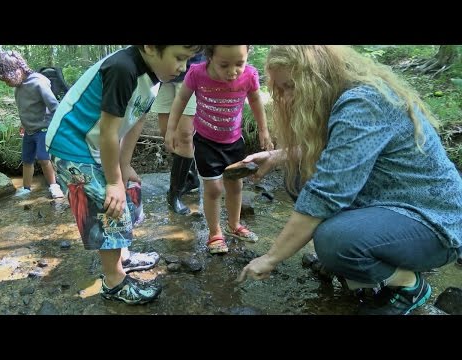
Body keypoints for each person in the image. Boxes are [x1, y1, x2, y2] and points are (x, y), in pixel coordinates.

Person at [237, 45, 462, 315]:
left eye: (291, 87)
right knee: (297, 178)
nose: (285, 98)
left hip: (435, 222)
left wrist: (271, 257)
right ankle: (365, 263)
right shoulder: (341, 94)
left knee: (334, 241)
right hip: (392, 203)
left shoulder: (363, 103)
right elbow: (341, 154)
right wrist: (279, 156)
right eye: (280, 89)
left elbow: (326, 193)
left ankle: (408, 285)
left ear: (316, 78)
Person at [45, 45, 203, 305]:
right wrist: (112, 181)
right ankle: (114, 282)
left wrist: (124, 165)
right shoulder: (123, 69)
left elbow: (135, 121)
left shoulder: (155, 76)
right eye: (178, 58)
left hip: (96, 145)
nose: (182, 68)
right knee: (108, 207)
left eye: (187, 60)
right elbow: (108, 131)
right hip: (72, 146)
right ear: (151, 48)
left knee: (125, 195)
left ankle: (124, 257)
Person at [165, 45, 273, 254]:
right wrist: (171, 129)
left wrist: (263, 130)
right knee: (214, 189)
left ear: (247, 55)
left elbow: (256, 100)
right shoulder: (197, 73)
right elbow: (181, 99)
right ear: (210, 56)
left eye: (239, 64)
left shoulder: (249, 75)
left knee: (235, 185)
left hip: (234, 141)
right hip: (206, 141)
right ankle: (215, 233)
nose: (233, 71)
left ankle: (235, 225)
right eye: (224, 65)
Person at [0, 51, 64, 199]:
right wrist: (23, 124)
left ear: (17, 71)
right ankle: (26, 188)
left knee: (43, 159)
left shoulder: (38, 83)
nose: (6, 83)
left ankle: (54, 186)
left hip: (43, 128)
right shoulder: (18, 87)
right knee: (27, 160)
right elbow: (24, 108)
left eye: (6, 80)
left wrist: (59, 127)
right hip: (29, 131)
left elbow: (55, 106)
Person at [151, 52, 205, 215]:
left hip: (193, 70)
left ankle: (174, 194)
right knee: (167, 133)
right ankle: (191, 179)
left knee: (184, 136)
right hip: (164, 75)